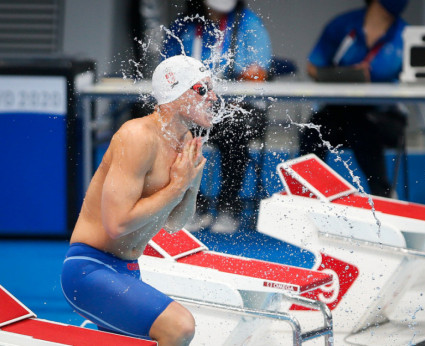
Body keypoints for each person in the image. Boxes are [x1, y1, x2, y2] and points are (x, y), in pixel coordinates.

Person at [61, 55, 217, 345]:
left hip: (128, 271)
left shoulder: (184, 144)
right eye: (202, 89)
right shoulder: (136, 136)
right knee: (179, 326)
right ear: (175, 93)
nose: (213, 97)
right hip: (89, 269)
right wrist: (176, 187)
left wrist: (191, 185)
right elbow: (117, 225)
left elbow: (175, 223)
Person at [162, 0, 272, 233]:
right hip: (190, 108)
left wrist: (244, 74)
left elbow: (258, 72)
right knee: (170, 130)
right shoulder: (183, 26)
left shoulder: (248, 23)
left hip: (231, 106)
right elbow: (166, 71)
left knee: (235, 129)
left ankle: (228, 204)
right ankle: (191, 204)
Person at [300, 0, 408, 197]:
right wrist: (345, 75)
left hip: (385, 116)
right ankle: (306, 193)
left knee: (361, 127)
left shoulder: (406, 36)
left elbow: (417, 79)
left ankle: (383, 196)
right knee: (314, 130)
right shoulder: (343, 26)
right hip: (339, 112)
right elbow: (313, 67)